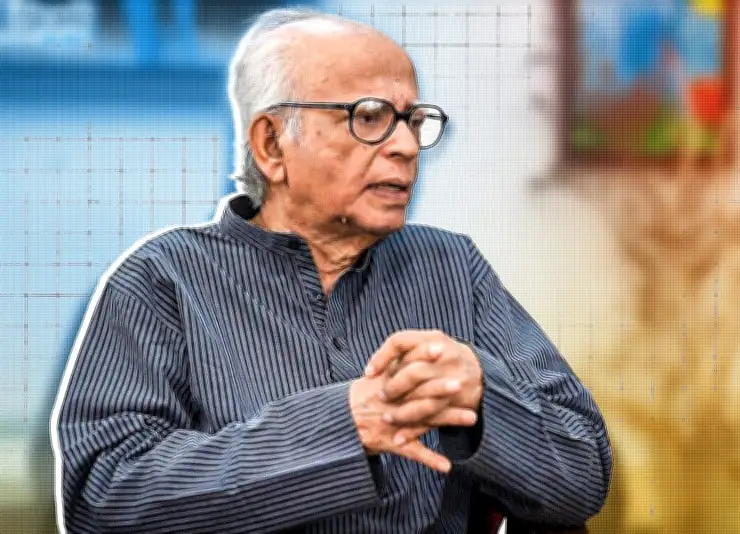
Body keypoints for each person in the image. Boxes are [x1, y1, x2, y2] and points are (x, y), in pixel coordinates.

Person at [51, 8, 612, 534]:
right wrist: (343, 427)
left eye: (414, 120)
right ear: (272, 145)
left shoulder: (453, 268)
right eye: (369, 117)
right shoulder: (162, 279)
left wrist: (484, 401)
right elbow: (102, 495)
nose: (406, 146)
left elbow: (585, 472)